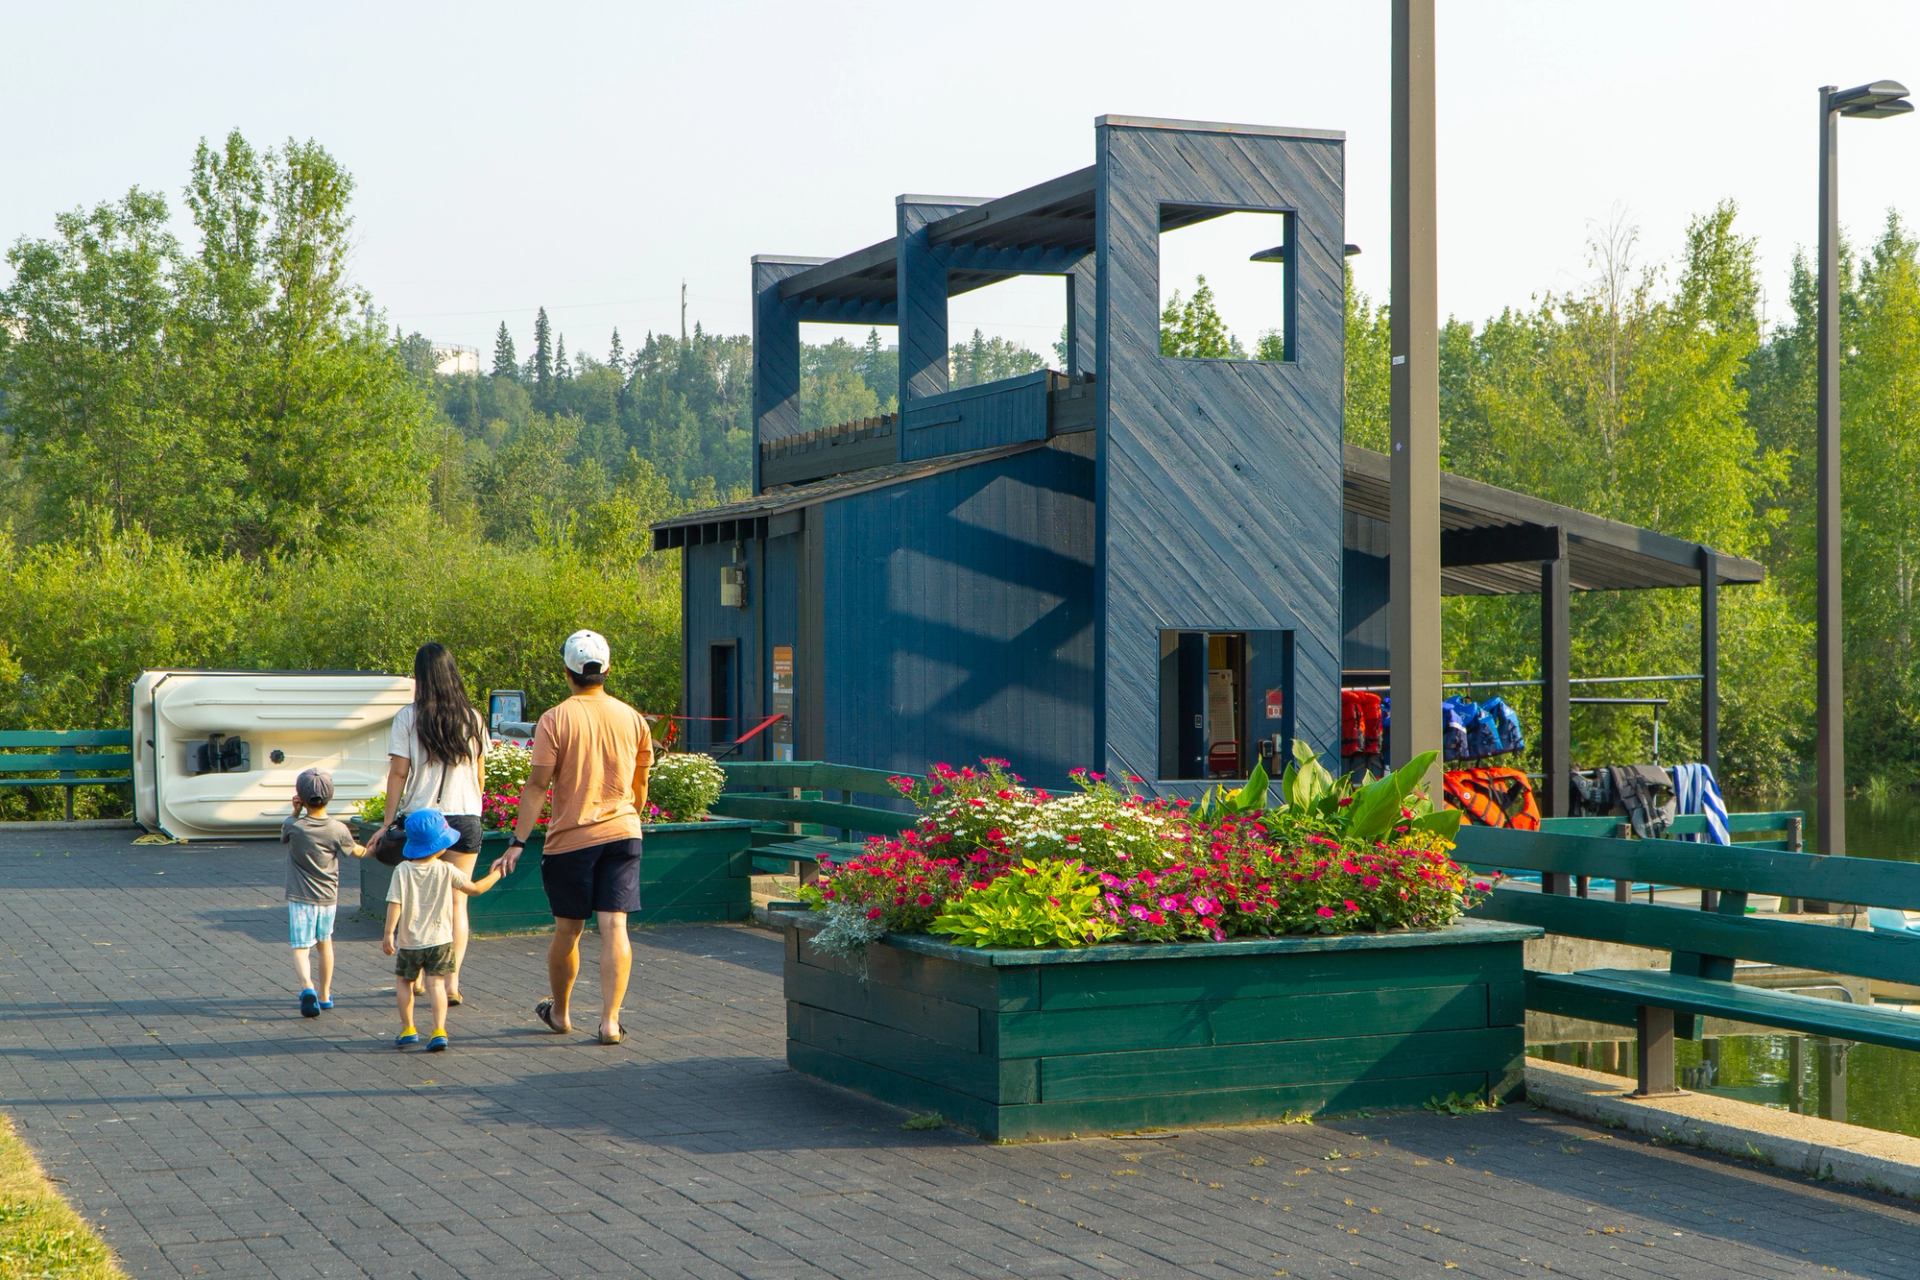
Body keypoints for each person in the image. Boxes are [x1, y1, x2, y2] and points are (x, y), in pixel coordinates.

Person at [495, 630, 652, 1046]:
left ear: (567, 672)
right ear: (607, 669)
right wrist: (627, 813)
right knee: (615, 926)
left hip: (571, 839)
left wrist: (517, 840)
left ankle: (561, 1013)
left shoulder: (555, 718)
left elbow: (536, 786)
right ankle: (610, 1022)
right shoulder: (632, 718)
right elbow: (641, 784)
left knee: (569, 929)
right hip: (623, 832)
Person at [371, 643, 490, 1006]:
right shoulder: (473, 717)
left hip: (423, 820)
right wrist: (472, 808)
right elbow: (480, 775)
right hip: (466, 817)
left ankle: (419, 975)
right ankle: (451, 982)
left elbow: (398, 773)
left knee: (415, 899)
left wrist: (388, 822)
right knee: (457, 902)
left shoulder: (408, 717)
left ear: (421, 676)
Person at [382, 809, 504, 1052]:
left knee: (405, 983)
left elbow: (395, 904)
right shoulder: (446, 870)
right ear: (439, 846)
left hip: (410, 942)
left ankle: (408, 1028)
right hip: (440, 941)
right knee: (436, 985)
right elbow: (475, 889)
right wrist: (497, 873)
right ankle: (438, 1030)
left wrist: (388, 934)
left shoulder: (402, 871)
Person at [282, 768, 365, 1018]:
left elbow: (285, 834)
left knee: (300, 947)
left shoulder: (294, 826)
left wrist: (295, 811)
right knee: (324, 943)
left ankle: (307, 987)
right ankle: (325, 995)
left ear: (300, 797)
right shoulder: (338, 829)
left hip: (299, 896)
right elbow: (356, 851)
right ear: (330, 796)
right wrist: (373, 848)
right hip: (328, 897)